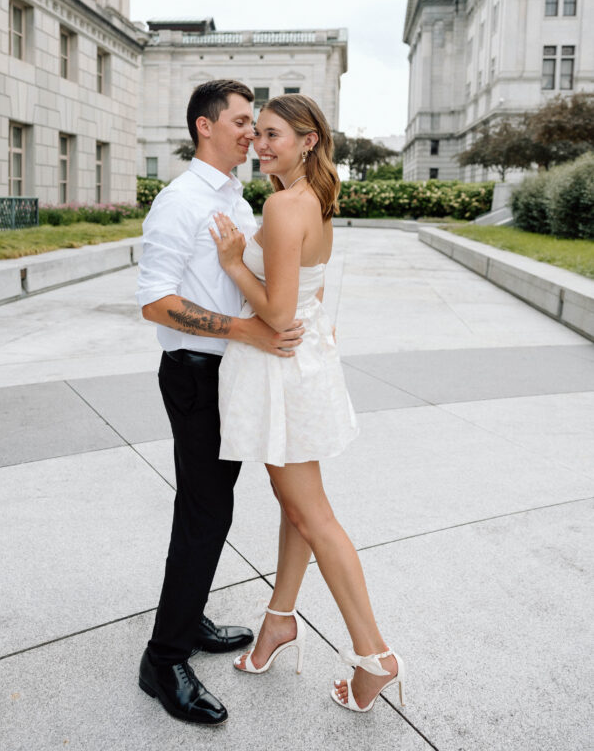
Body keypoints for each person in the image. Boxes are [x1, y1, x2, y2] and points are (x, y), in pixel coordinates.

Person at [210, 93, 405, 715]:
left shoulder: (285, 202)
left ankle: (374, 656)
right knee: (297, 508)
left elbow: (277, 311)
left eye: (273, 136)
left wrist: (235, 264)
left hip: (281, 370)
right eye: (257, 134)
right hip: (301, 364)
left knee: (312, 514)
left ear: (308, 140)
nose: (259, 145)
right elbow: (309, 296)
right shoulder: (314, 198)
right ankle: (279, 620)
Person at [135, 79, 305, 726]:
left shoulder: (232, 192)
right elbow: (155, 301)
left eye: (255, 123)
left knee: (211, 508)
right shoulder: (180, 203)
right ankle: (163, 658)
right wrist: (242, 329)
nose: (250, 132)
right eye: (239, 121)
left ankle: (188, 616)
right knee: (205, 513)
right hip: (195, 373)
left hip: (227, 373)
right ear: (204, 127)